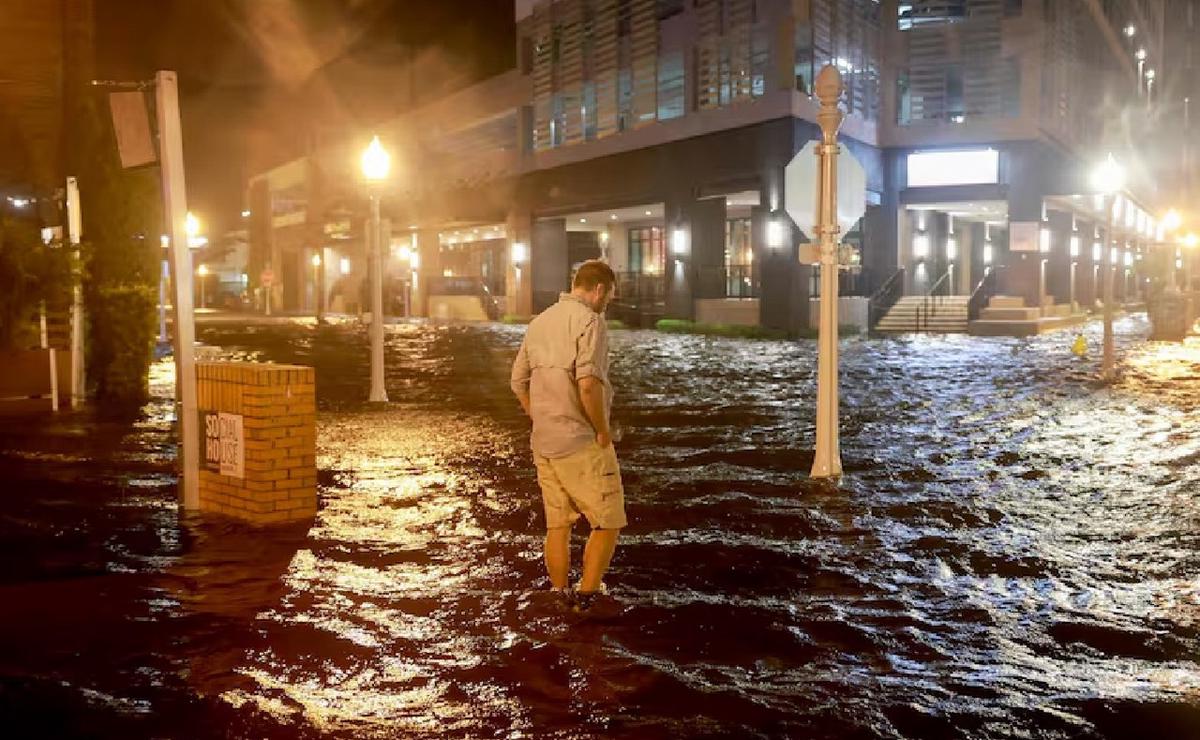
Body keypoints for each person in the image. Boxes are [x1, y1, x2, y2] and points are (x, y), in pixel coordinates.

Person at [510, 259, 626, 611]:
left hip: (544, 441)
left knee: (557, 525)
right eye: (609, 297)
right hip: (579, 441)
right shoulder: (591, 322)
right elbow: (588, 385)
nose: (607, 304)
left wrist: (540, 416)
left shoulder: (540, 321)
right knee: (608, 520)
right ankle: (588, 596)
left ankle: (559, 594)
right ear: (599, 289)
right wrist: (602, 432)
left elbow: (517, 382)